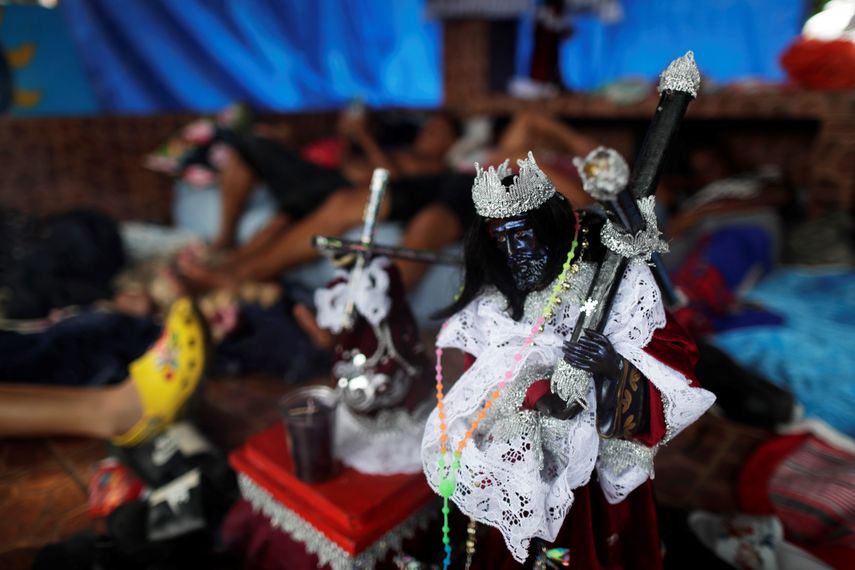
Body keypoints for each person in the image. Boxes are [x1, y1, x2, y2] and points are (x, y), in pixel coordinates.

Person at [420, 152, 715, 568]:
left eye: (522, 234)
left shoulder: (609, 283)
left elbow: (673, 364)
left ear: (549, 228)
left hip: (588, 477)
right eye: (501, 237)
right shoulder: (493, 305)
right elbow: (480, 382)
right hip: (515, 465)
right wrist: (531, 395)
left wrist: (614, 370)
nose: (514, 250)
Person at [176, 109, 472, 293]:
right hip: (329, 179)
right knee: (250, 148)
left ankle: (239, 273)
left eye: (438, 131)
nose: (428, 132)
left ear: (451, 142)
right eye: (429, 126)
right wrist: (348, 138)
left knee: (302, 207)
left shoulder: (437, 168)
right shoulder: (401, 146)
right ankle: (227, 251)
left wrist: (365, 138)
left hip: (345, 189)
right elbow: (347, 162)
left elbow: (391, 181)